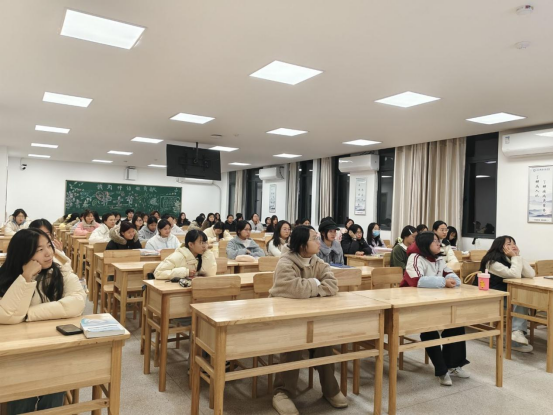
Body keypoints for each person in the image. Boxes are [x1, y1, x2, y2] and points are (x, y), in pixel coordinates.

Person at [0, 228, 86, 413]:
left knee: (55, 379)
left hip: (52, 348)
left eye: (49, 246)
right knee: (22, 387)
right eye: (39, 249)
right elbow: (6, 315)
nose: (48, 253)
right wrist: (25, 278)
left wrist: (28, 315)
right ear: (23, 253)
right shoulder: (6, 277)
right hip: (16, 353)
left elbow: (77, 303)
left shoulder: (60, 270)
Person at [269, 226, 346, 414]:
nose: (318, 242)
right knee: (294, 343)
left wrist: (309, 288)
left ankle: (330, 389)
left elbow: (332, 284)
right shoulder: (285, 262)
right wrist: (316, 284)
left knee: (325, 343)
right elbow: (292, 287)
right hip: (286, 318)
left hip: (312, 316)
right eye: (314, 238)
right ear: (302, 244)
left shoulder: (316, 261)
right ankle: (282, 392)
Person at [401, 232, 467, 386]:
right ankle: (441, 370)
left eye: (439, 241)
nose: (439, 244)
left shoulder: (439, 259)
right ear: (425, 244)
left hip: (436, 301)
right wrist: (443, 281)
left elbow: (455, 278)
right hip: (414, 303)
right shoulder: (415, 258)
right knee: (429, 330)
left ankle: (453, 365)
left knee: (456, 324)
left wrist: (448, 280)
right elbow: (416, 281)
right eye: (435, 241)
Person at [475, 235, 535, 353]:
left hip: (506, 294)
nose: (513, 246)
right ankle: (516, 338)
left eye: (514, 243)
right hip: (493, 296)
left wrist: (518, 257)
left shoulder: (510, 258)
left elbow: (531, 274)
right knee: (519, 300)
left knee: (522, 298)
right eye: (509, 244)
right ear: (500, 247)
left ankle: (516, 333)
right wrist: (515, 258)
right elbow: (514, 275)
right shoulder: (491, 261)